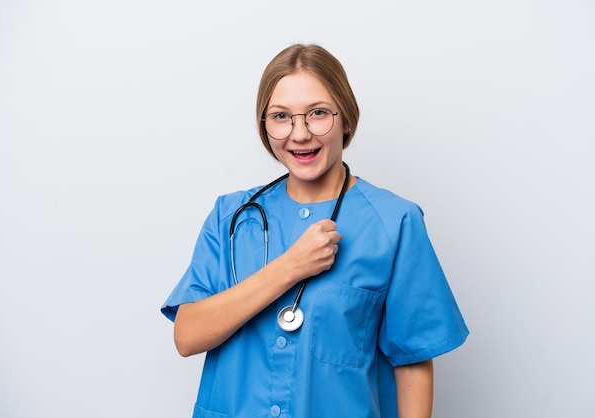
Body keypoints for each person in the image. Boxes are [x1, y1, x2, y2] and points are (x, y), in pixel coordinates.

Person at [161, 43, 469, 418]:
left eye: (318, 113)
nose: (300, 134)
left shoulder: (394, 222)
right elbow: (187, 336)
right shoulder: (232, 216)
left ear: (347, 118)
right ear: (265, 126)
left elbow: (413, 360)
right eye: (280, 116)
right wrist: (291, 266)